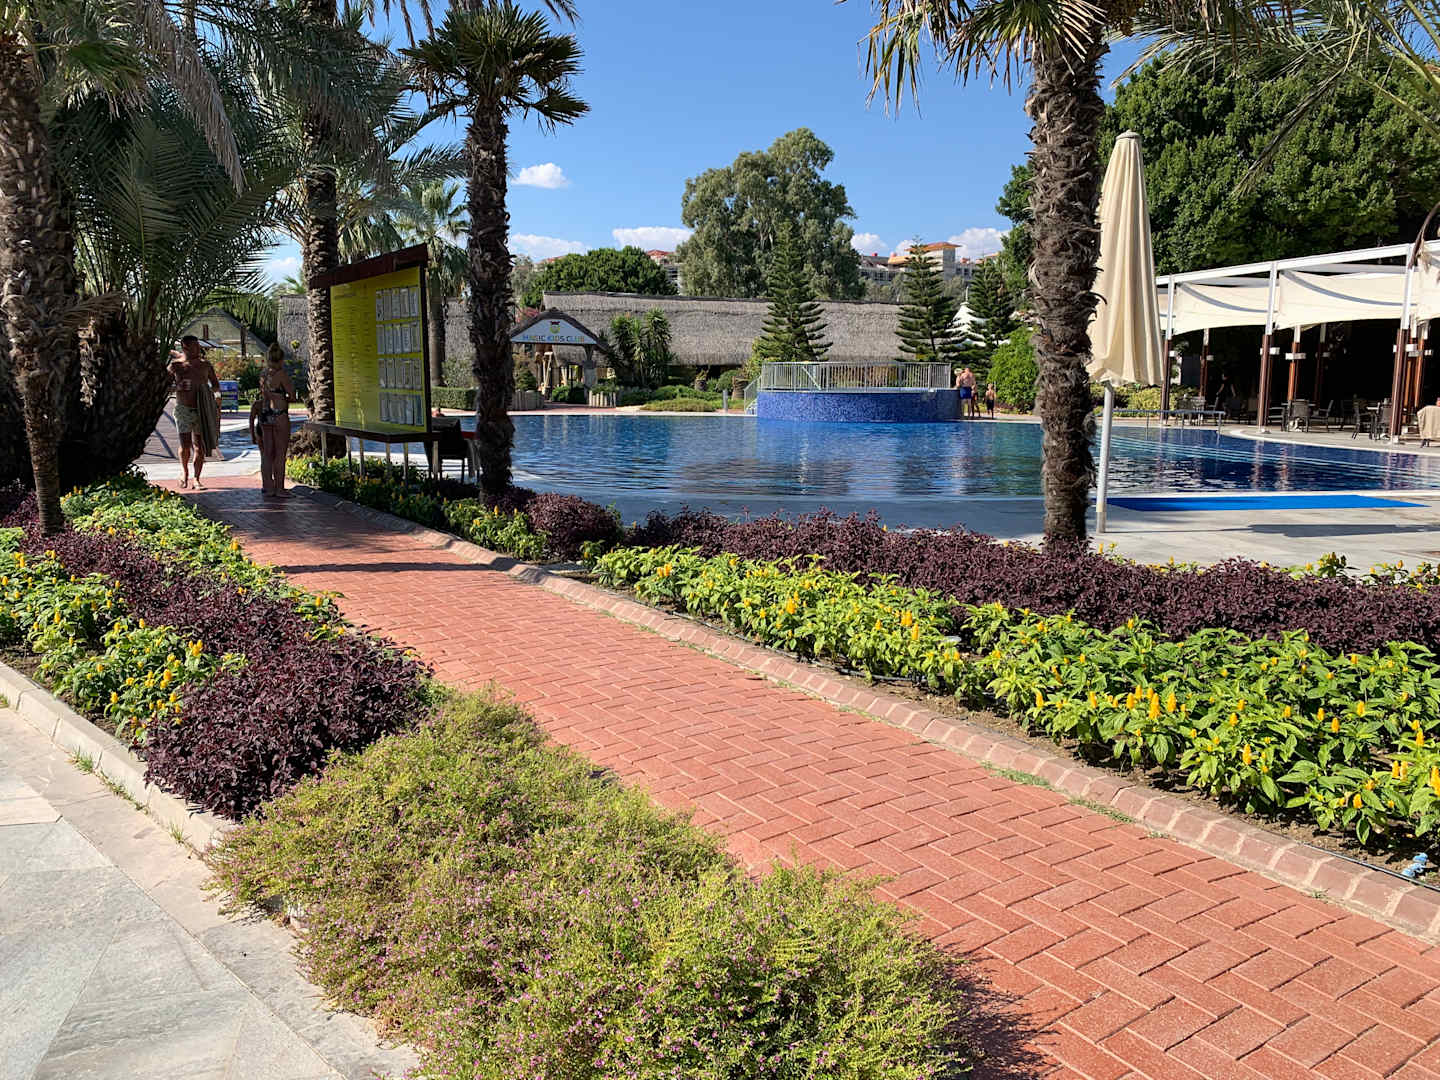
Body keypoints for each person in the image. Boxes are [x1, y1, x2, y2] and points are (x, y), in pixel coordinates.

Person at [168, 335, 220, 489]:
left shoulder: (205, 365)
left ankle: (197, 478)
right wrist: (177, 387)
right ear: (185, 348)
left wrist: (216, 399)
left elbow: (215, 384)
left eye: (199, 346)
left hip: (201, 409)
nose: (198, 349)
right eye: (195, 347)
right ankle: (184, 473)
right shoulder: (176, 365)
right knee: (185, 445)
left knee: (199, 446)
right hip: (183, 409)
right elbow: (163, 384)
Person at [251, 343, 296, 497]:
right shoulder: (281, 374)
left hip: (265, 415)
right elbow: (292, 395)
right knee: (280, 454)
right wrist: (283, 397)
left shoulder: (263, 374)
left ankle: (268, 487)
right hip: (279, 414)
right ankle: (280, 489)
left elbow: (263, 393)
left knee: (267, 454)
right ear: (281, 360)